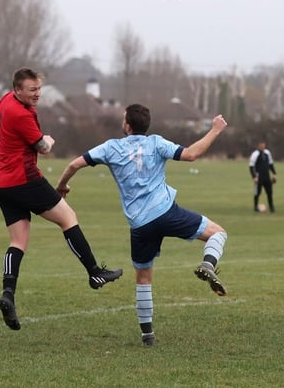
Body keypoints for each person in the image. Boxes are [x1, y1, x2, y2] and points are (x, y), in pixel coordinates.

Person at [55, 104, 229, 346]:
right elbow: (191, 154)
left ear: (127, 125)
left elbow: (74, 164)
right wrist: (215, 130)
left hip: (139, 224)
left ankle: (147, 336)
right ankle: (207, 264)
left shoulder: (110, 147)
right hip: (167, 212)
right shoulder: (156, 143)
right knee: (217, 233)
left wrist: (62, 186)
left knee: (144, 277)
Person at [0, 67, 123, 331]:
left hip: (2, 186)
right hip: (26, 181)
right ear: (18, 89)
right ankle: (94, 273)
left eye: (39, 88)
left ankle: (8, 294)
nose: (37, 94)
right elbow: (43, 147)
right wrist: (48, 140)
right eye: (32, 90)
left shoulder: (6, 100)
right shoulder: (21, 114)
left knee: (18, 241)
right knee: (68, 218)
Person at [248, 141, 277, 213]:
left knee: (269, 192)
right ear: (258, 146)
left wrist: (274, 173)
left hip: (267, 176)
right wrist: (254, 177)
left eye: (264, 145)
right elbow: (251, 166)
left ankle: (271, 207)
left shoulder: (267, 153)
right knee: (257, 192)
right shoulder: (255, 154)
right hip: (259, 176)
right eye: (261, 146)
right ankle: (255, 207)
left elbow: (270, 164)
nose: (263, 147)